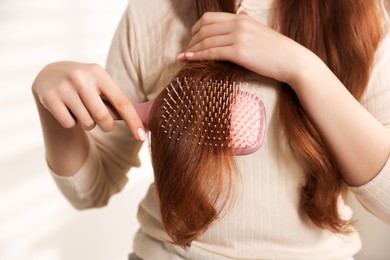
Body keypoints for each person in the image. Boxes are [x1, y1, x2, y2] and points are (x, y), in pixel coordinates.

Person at [32, 0, 390, 259]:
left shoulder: (361, 15)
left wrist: (302, 67)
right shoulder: (153, 12)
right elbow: (90, 190)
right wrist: (50, 106)